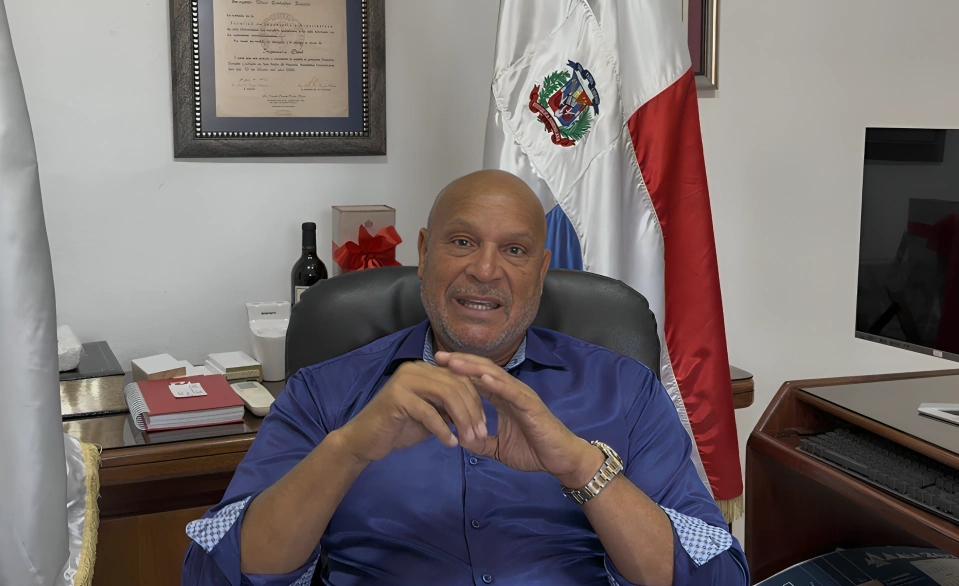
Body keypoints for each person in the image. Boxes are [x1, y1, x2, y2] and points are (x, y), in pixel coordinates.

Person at [181, 170, 749, 586]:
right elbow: (216, 573)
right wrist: (347, 450)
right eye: (462, 242)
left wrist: (583, 467)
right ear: (424, 252)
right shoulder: (323, 391)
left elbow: (717, 575)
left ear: (541, 271)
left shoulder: (626, 391)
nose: (484, 269)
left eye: (514, 250)